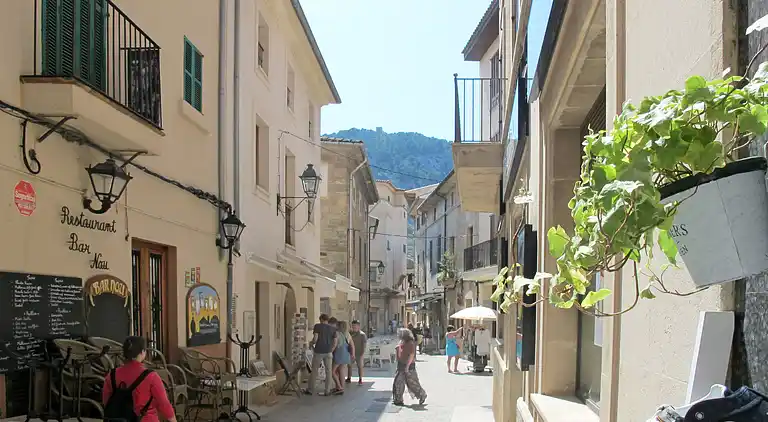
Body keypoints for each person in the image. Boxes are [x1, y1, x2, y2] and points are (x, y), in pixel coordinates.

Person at [102, 336, 176, 422]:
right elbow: (164, 405)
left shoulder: (111, 375)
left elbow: (106, 401)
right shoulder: (151, 376)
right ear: (143, 352)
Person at [392, 328, 427, 406]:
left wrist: (407, 367)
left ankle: (422, 395)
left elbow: (411, 355)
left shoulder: (411, 343)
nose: (398, 335)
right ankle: (398, 399)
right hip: (401, 365)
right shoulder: (402, 341)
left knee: (412, 383)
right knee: (398, 382)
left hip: (409, 365)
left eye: (400, 334)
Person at [307, 313, 337, 396]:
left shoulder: (317, 326)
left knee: (314, 371)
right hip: (328, 352)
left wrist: (311, 343)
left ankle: (310, 389)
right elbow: (335, 342)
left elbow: (315, 339)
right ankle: (327, 390)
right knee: (328, 371)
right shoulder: (333, 329)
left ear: (321, 319)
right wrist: (331, 350)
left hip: (319, 351)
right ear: (327, 320)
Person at [331, 320, 354, 395]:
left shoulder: (336, 334)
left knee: (332, 372)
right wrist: (352, 354)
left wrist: (330, 352)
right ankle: (341, 387)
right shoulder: (348, 334)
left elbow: (334, 345)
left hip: (339, 353)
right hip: (346, 354)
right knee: (342, 371)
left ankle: (339, 386)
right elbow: (352, 345)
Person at [347, 319, 367, 385]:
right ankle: (349, 378)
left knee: (360, 366)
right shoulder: (349, 333)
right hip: (350, 352)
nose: (353, 328)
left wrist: (362, 354)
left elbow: (364, 345)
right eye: (352, 326)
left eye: (355, 326)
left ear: (359, 326)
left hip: (359, 353)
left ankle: (360, 379)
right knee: (349, 366)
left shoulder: (362, 335)